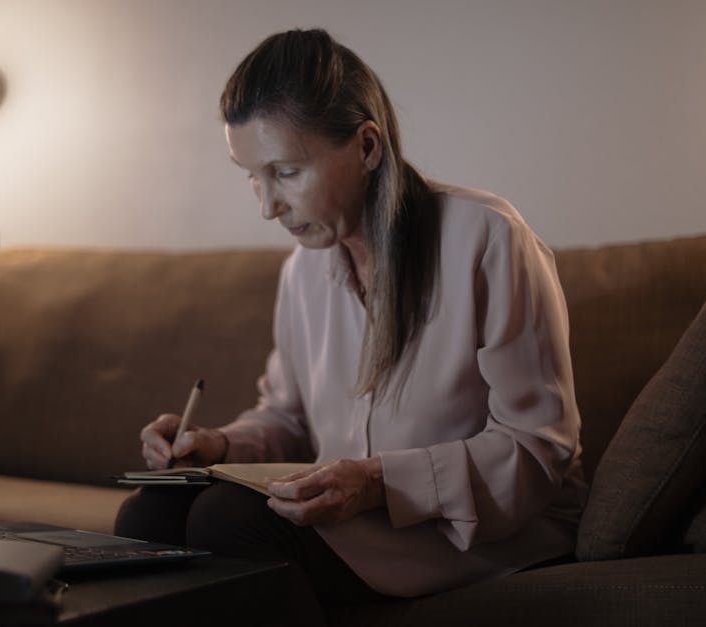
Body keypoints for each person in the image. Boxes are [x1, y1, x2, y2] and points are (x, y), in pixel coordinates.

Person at [115, 27, 585, 622]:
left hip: (483, 529)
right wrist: (217, 444)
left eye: (284, 172)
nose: (266, 205)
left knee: (225, 522)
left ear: (367, 147)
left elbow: (537, 448)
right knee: (147, 516)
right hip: (357, 517)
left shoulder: (488, 240)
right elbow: (287, 416)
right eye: (250, 174)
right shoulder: (302, 272)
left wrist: (380, 483)